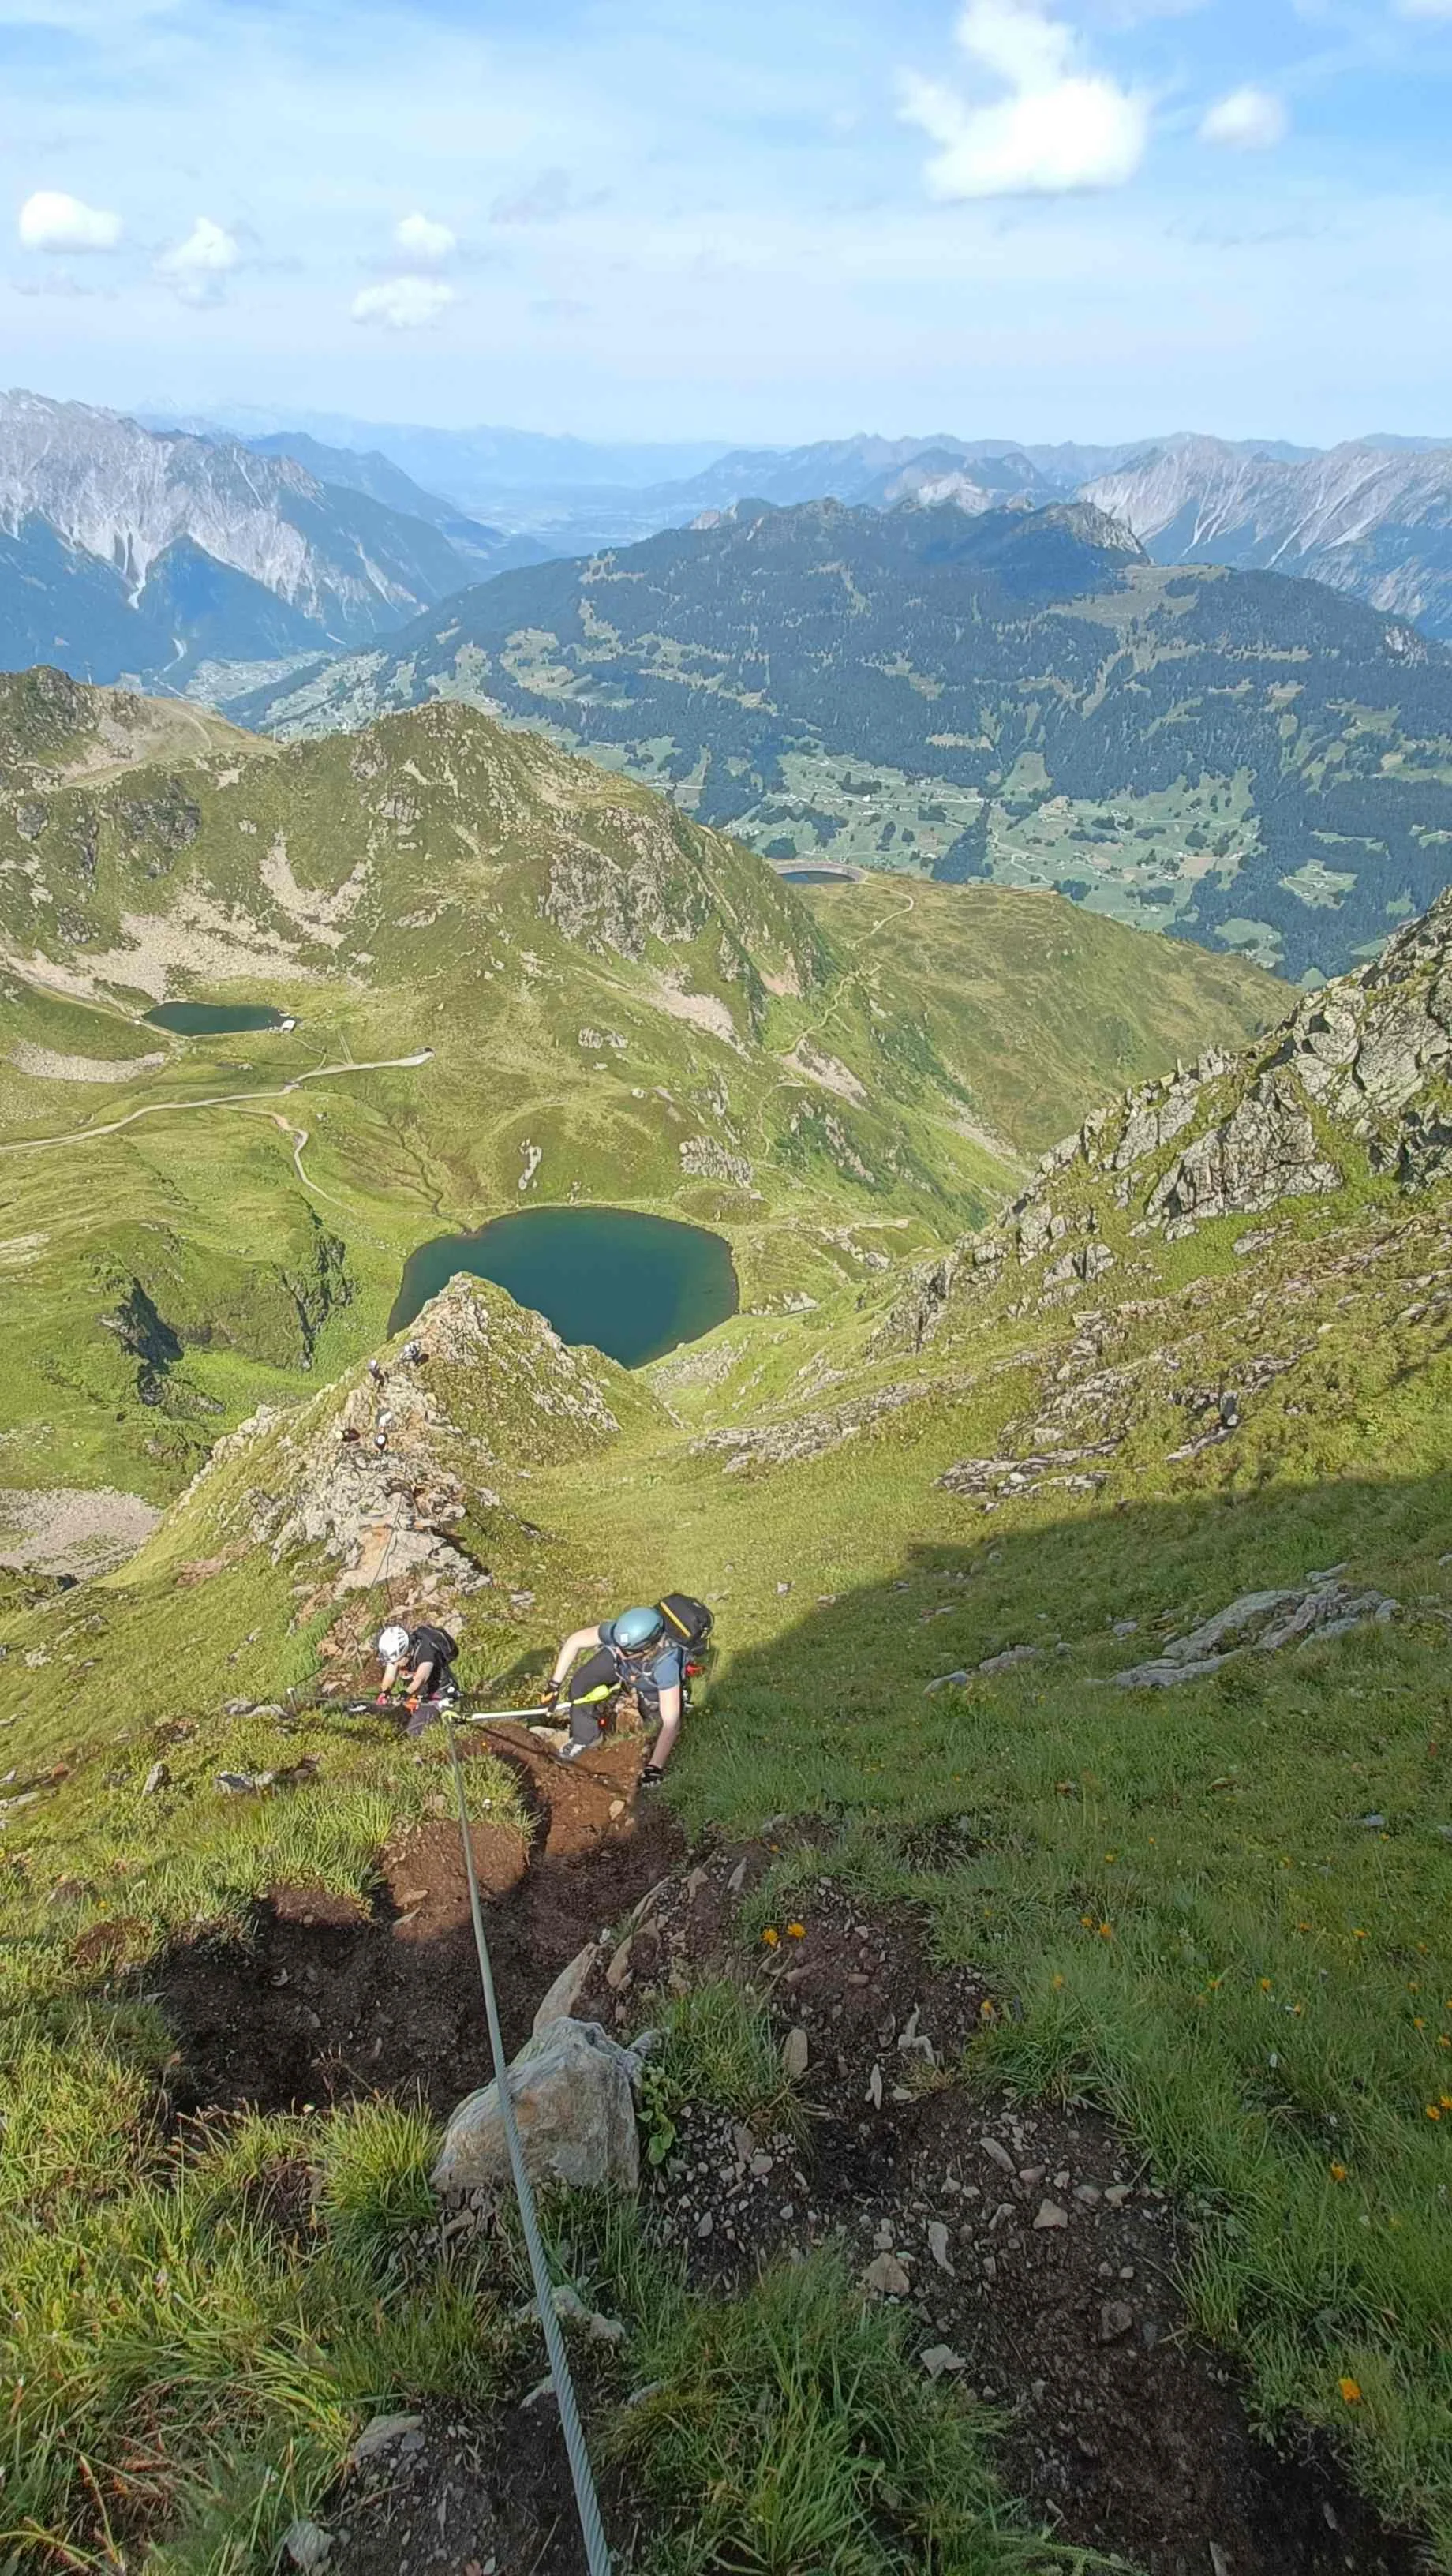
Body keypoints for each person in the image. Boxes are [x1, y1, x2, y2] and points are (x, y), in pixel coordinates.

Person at [544, 1604, 686, 1784]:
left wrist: (654, 1767)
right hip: (627, 1664)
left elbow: (671, 1723)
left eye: (623, 1649)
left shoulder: (666, 1666)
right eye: (616, 1645)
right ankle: (585, 1738)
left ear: (646, 1649)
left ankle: (648, 1747)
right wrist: (554, 1685)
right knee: (581, 1683)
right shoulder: (618, 1638)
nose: (616, 1650)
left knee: (655, 1720)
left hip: (649, 1675)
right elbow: (575, 1641)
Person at [376, 1619, 459, 1734]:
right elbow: (389, 1676)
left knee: (415, 1731)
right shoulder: (398, 1657)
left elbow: (421, 1679)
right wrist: (385, 1692)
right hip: (421, 1695)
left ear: (406, 1652)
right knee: (399, 1721)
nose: (395, 1665)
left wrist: (405, 1693)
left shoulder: (426, 1651)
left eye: (396, 1661)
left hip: (440, 1693)